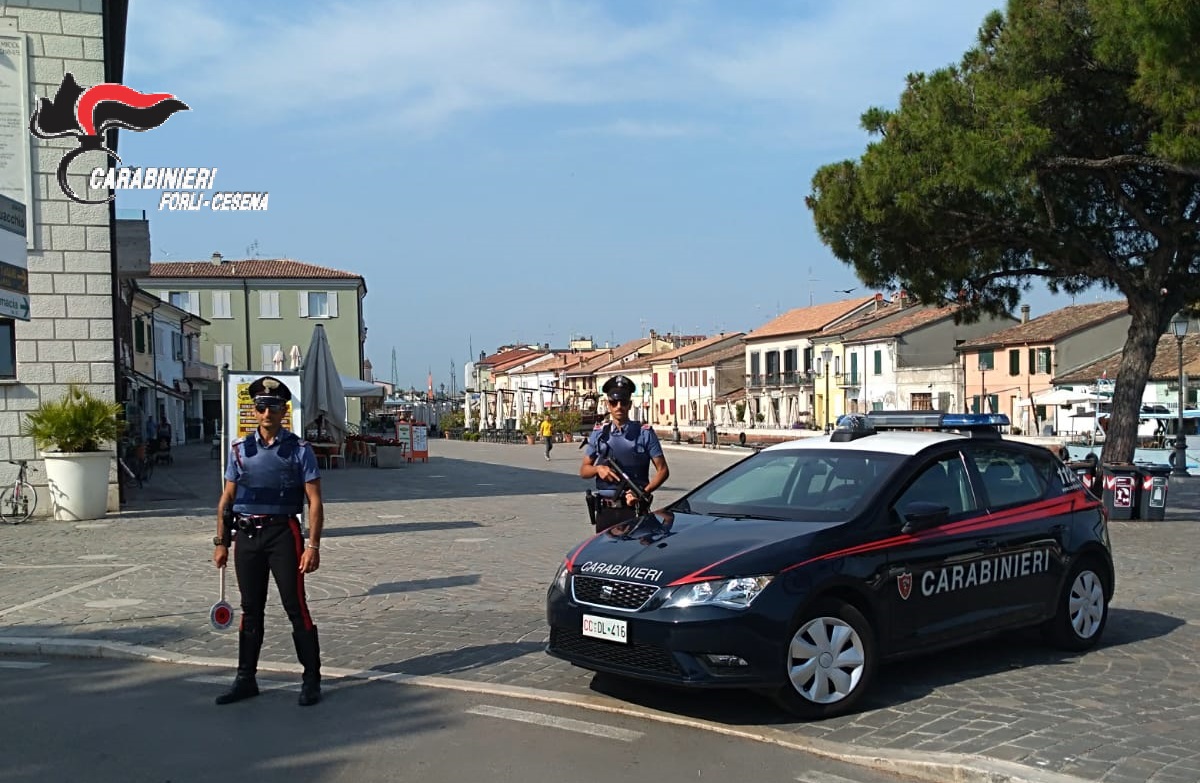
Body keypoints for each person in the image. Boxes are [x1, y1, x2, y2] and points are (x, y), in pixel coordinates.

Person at [213, 376, 325, 707]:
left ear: (283, 411)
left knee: (295, 606)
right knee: (250, 609)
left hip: (283, 534)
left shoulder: (299, 450)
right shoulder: (239, 450)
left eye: (273, 408)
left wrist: (313, 545)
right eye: (261, 407)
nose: (266, 414)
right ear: (254, 411)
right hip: (246, 536)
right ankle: (245, 678)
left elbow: (314, 501)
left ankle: (311, 678)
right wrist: (221, 541)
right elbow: (226, 500)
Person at [580, 375, 670, 532]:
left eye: (623, 402)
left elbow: (663, 471)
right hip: (605, 510)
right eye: (614, 402)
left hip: (633, 508)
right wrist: (598, 469)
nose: (618, 406)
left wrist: (643, 492)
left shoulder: (644, 433)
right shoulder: (599, 434)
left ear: (629, 404)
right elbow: (584, 470)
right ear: (608, 405)